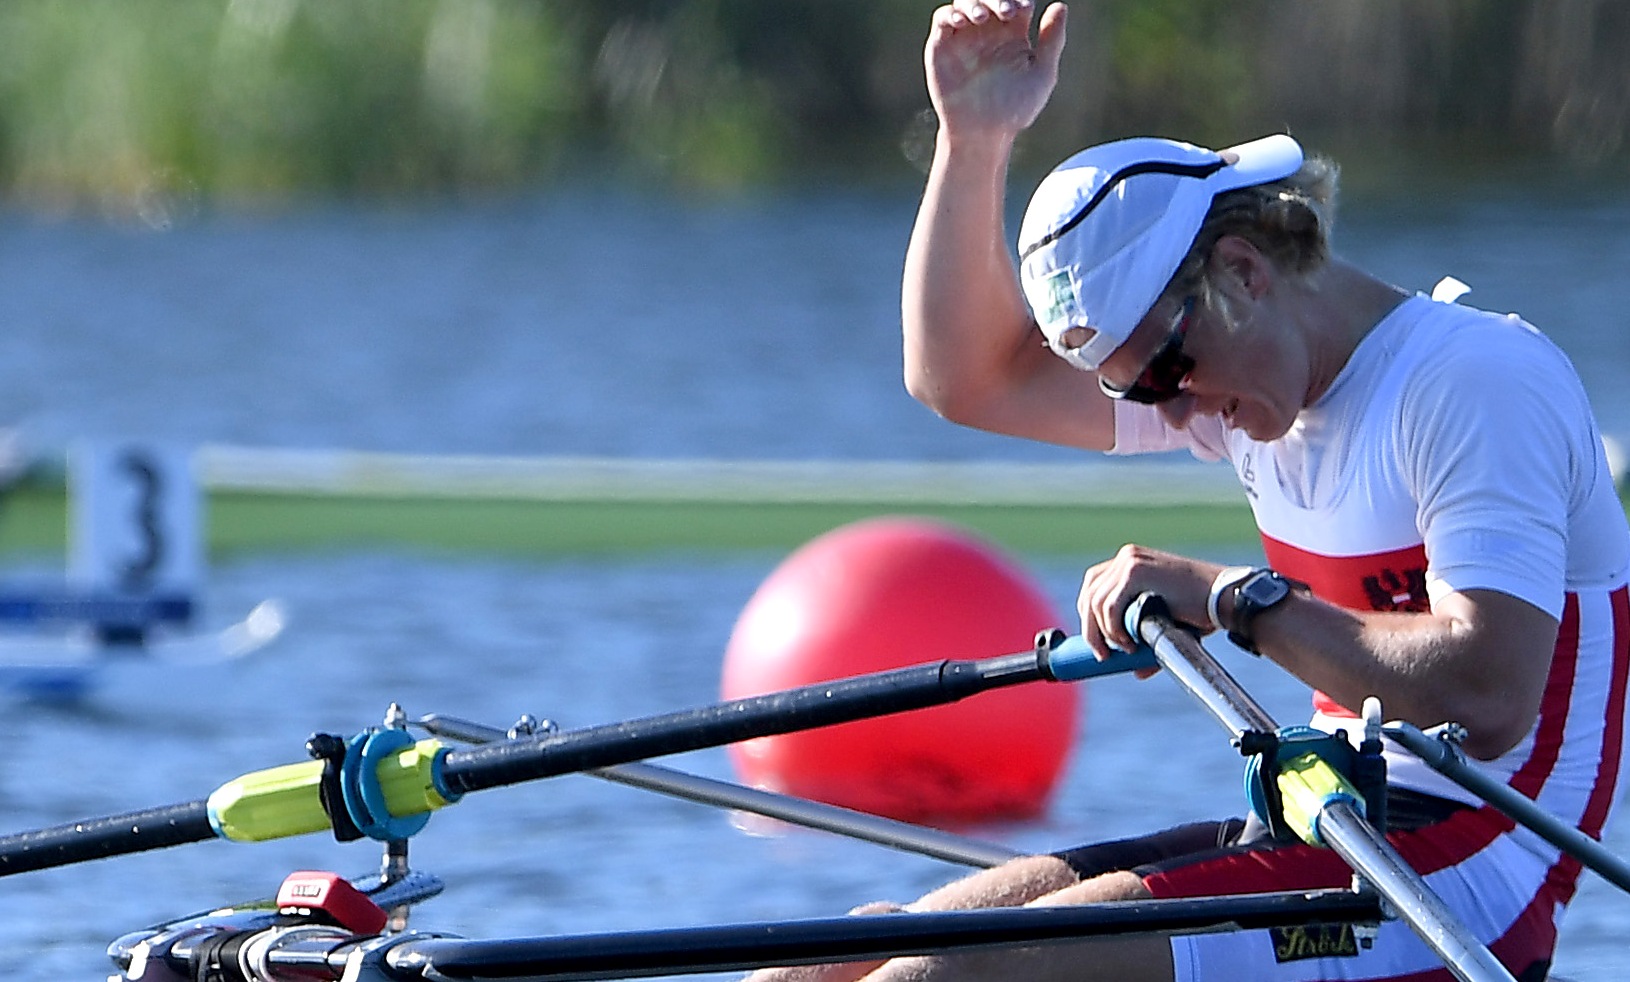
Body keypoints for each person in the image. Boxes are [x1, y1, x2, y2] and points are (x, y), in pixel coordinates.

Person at [745, 1, 1630, 980]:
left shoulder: (1471, 383)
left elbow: (1484, 694)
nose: (1169, 416)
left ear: (1243, 273)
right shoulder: (1238, 379)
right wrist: (972, 138)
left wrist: (1228, 599)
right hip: (1330, 820)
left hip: (1471, 877)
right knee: (833, 959)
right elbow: (967, 378)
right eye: (1131, 391)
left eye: (1166, 374)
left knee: (943, 980)